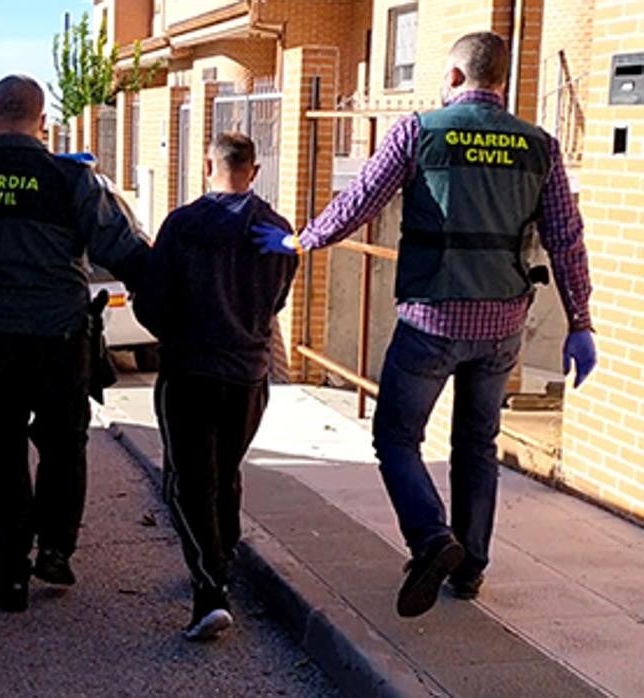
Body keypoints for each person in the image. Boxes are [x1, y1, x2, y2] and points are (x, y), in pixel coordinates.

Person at [253, 32, 597, 619]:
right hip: (501, 324)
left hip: (430, 319)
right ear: (502, 83)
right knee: (477, 443)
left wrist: (299, 239)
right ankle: (470, 572)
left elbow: (359, 201)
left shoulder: (418, 131)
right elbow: (566, 238)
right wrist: (580, 321)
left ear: (457, 77)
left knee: (395, 436)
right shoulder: (539, 145)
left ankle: (433, 539)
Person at [0, 75, 149, 612]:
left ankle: (11, 573)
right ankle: (57, 551)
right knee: (64, 447)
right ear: (42, 120)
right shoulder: (71, 179)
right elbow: (125, 251)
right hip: (57, 340)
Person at [134, 133, 298, 641]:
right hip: (249, 373)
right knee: (224, 473)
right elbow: (277, 301)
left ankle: (210, 589)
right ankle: (221, 558)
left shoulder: (183, 226)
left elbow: (151, 301)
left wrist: (176, 334)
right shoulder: (276, 229)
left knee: (188, 482)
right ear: (253, 169)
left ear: (208, 165)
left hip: (190, 371)